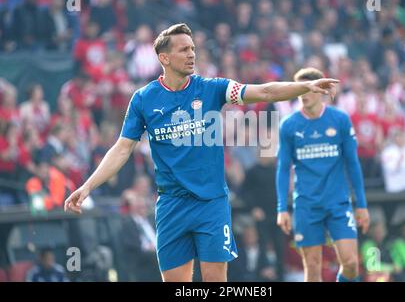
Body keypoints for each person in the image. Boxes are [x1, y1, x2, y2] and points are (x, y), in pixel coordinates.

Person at [64, 23, 339, 282]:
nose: (192, 54)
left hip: (211, 204)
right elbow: (122, 148)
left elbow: (265, 91)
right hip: (172, 205)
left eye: (193, 48)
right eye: (184, 49)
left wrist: (304, 86)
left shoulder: (212, 88)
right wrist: (87, 186)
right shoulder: (144, 99)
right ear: (164, 58)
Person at [276, 67, 369, 282]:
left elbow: (353, 164)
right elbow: (283, 168)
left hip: (338, 202)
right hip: (306, 205)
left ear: (320, 90)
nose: (303, 94)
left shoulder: (339, 119)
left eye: (308, 89)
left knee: (351, 263)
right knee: (313, 267)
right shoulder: (289, 125)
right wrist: (282, 207)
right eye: (299, 90)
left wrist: (362, 204)